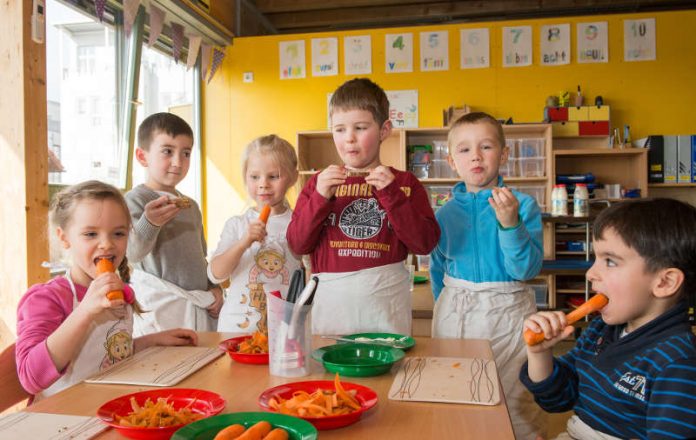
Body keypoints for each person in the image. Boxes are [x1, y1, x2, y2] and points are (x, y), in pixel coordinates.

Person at [520, 198, 696, 440]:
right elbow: (558, 400)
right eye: (595, 258)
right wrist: (540, 354)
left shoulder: (677, 362)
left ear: (664, 282)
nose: (590, 273)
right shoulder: (600, 331)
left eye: (610, 261)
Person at [15, 181, 198, 400]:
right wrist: (85, 311)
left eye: (118, 234)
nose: (107, 244)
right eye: (91, 234)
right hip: (63, 421)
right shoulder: (46, 299)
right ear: (64, 238)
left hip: (109, 405)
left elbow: (108, 353)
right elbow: (31, 377)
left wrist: (152, 341)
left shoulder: (122, 294)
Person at [287, 78, 440, 336]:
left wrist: (392, 195)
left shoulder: (403, 183)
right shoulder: (318, 183)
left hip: (385, 308)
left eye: (360, 127)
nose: (349, 139)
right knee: (332, 375)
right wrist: (320, 198)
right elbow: (297, 245)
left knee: (387, 375)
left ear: (383, 130)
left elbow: (424, 243)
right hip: (333, 309)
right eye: (339, 129)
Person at [429, 112, 544, 439]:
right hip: (456, 310)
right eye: (464, 150)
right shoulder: (444, 213)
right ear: (452, 161)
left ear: (504, 154)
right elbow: (438, 270)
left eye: (486, 146)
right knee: (455, 388)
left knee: (513, 395)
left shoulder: (522, 205)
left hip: (508, 313)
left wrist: (510, 224)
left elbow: (525, 270)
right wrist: (445, 307)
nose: (476, 156)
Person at [126, 112, 222, 334]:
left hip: (197, 304)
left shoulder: (191, 206)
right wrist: (149, 222)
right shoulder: (135, 200)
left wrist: (213, 288)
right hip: (160, 307)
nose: (178, 162)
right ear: (142, 156)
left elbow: (200, 257)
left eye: (186, 153)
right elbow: (133, 253)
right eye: (167, 151)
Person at [208, 135, 301, 333]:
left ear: (293, 177)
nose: (263, 184)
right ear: (245, 177)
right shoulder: (237, 225)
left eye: (273, 176)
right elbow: (216, 274)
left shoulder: (299, 223)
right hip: (236, 329)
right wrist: (244, 242)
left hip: (283, 330)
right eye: (255, 177)